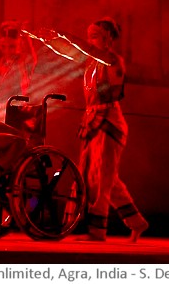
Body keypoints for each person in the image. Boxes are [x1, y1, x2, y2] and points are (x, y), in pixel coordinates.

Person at [44, 17, 149, 242]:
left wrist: (66, 35)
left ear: (108, 38)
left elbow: (84, 49)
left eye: (95, 36)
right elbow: (71, 53)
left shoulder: (113, 60)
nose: (91, 40)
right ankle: (137, 223)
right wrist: (47, 39)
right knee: (98, 177)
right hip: (93, 118)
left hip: (109, 121)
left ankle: (96, 231)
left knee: (100, 178)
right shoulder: (92, 63)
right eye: (89, 35)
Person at [0, 21, 37, 117]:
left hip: (17, 110)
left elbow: (30, 55)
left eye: (11, 47)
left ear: (18, 45)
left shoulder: (23, 61)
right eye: (3, 46)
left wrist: (25, 33)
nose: (7, 51)